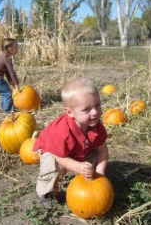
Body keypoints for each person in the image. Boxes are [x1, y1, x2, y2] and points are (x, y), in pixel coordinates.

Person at [33, 77, 109, 208]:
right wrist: (79, 167)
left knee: (94, 156)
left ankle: (88, 178)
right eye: (87, 109)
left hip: (77, 149)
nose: (95, 112)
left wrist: (99, 175)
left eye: (97, 105)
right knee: (55, 168)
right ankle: (46, 193)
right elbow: (61, 158)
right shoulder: (61, 132)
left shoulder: (95, 124)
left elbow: (103, 151)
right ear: (70, 112)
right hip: (53, 151)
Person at [0, 38, 20, 112]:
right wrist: (16, 83)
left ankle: (4, 108)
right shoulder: (6, 58)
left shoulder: (2, 55)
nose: (17, 49)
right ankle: (8, 110)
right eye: (16, 47)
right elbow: (11, 72)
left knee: (4, 92)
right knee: (7, 93)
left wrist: (11, 81)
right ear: (11, 49)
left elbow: (7, 71)